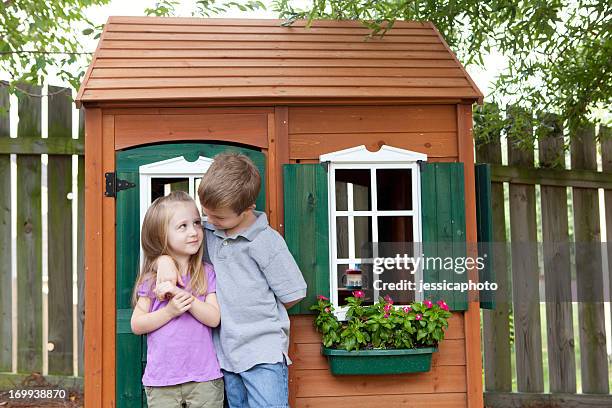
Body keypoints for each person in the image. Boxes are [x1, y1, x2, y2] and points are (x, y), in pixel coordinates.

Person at [156, 153, 307, 408]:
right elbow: (175, 249)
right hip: (225, 353)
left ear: (247, 208)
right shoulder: (210, 233)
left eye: (219, 217)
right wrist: (164, 261)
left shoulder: (265, 242)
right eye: (207, 214)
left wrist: (255, 314)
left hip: (262, 352)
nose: (209, 221)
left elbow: (293, 294)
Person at [131, 191, 224, 408]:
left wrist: (187, 299)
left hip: (203, 379)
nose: (193, 231)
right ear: (161, 235)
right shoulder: (152, 279)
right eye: (182, 226)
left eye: (196, 223)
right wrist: (169, 312)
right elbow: (137, 324)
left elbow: (214, 318)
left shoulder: (206, 272)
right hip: (162, 381)